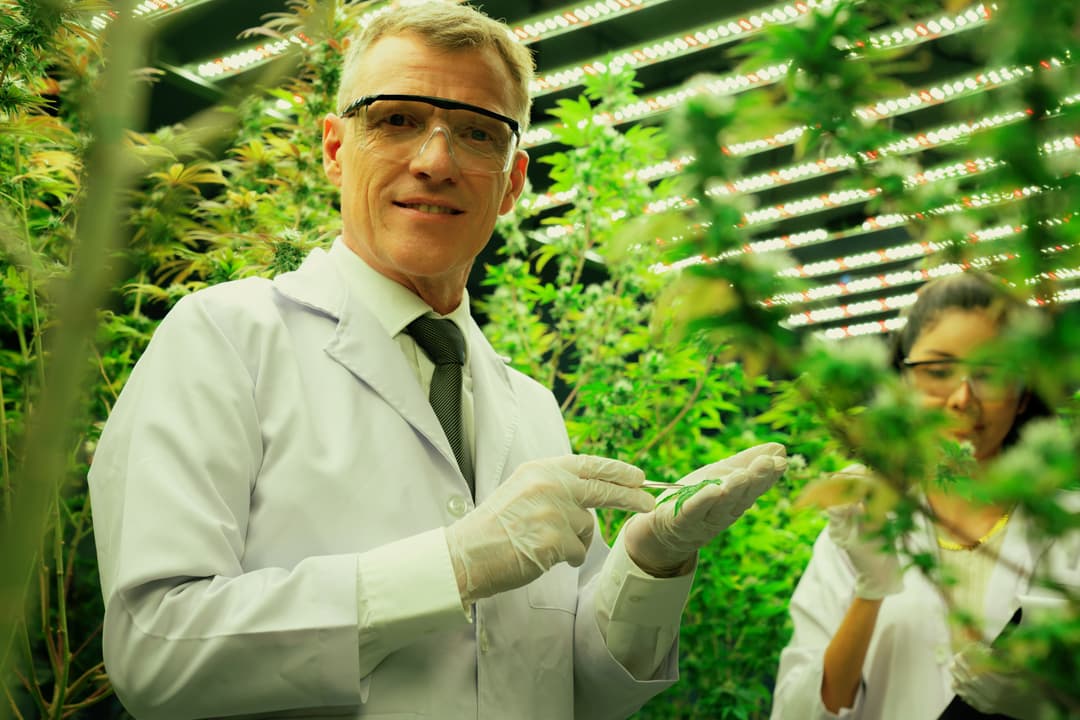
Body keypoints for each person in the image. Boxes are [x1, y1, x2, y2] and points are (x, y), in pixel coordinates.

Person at [87, 3, 788, 718]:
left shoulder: (530, 406)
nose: (435, 162)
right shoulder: (226, 339)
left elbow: (580, 690)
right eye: (396, 120)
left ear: (512, 183)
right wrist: (451, 566)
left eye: (478, 133)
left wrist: (649, 563)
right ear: (335, 149)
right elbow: (156, 651)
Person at [770, 272, 1079, 720]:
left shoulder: (1070, 527)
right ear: (903, 382)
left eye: (991, 374)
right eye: (937, 371)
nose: (962, 398)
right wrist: (870, 591)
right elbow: (796, 712)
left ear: (1024, 393)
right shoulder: (860, 531)